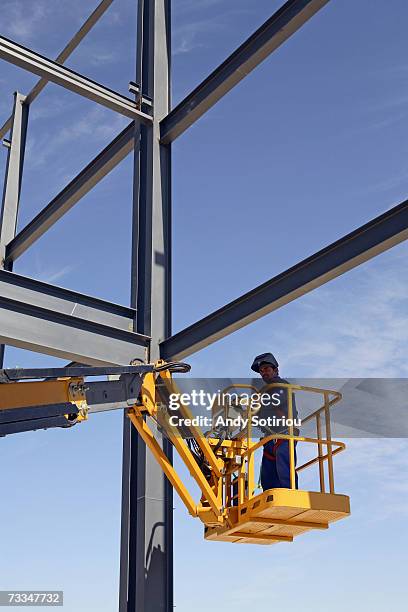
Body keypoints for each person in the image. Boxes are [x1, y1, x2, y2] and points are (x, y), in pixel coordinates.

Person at [251, 352, 299, 490]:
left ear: (275, 370)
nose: (263, 373)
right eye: (261, 371)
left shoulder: (281, 386)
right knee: (268, 472)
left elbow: (273, 403)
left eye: (266, 369)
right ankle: (270, 495)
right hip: (271, 436)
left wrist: (254, 407)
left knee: (284, 466)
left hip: (284, 433)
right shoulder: (265, 391)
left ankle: (290, 494)